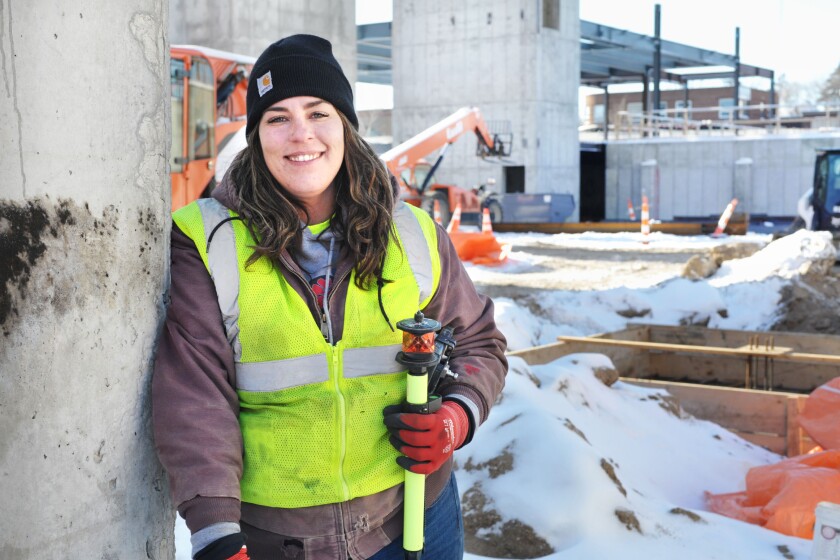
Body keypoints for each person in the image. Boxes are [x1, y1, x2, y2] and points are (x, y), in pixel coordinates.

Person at [152, 34, 507, 560]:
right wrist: (215, 531)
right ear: (256, 136)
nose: (301, 135)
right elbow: (194, 393)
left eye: (318, 112)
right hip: (277, 540)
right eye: (277, 118)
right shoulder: (209, 239)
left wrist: (455, 418)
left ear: (344, 124)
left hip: (413, 519)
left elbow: (480, 342)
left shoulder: (411, 233)